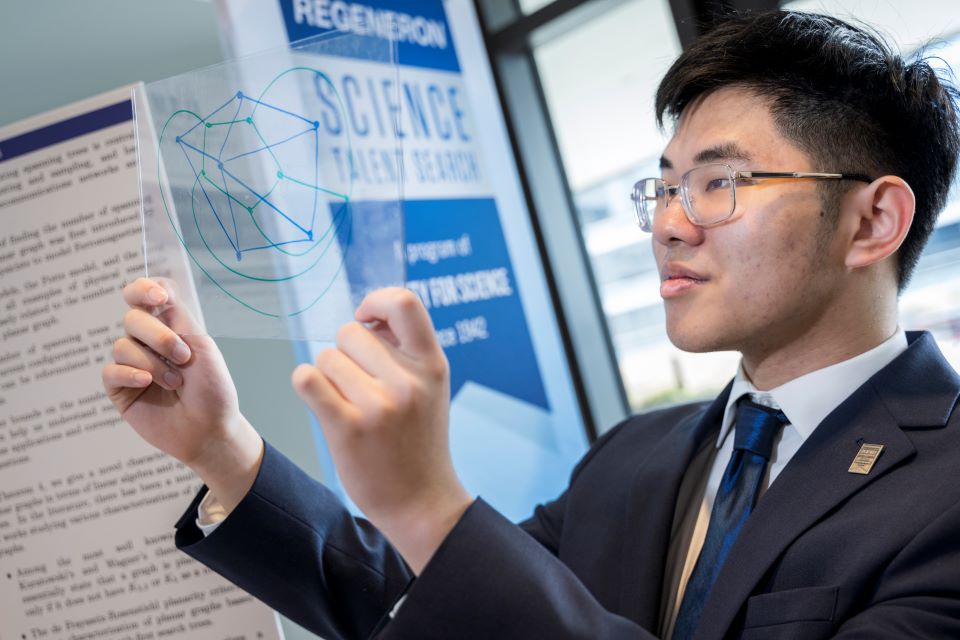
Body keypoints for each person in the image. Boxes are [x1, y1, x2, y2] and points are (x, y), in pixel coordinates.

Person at [103, 10, 960, 640]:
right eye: (664, 187)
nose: (667, 224)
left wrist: (429, 500)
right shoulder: (633, 456)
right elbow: (421, 605)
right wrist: (221, 449)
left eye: (720, 182)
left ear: (871, 222)